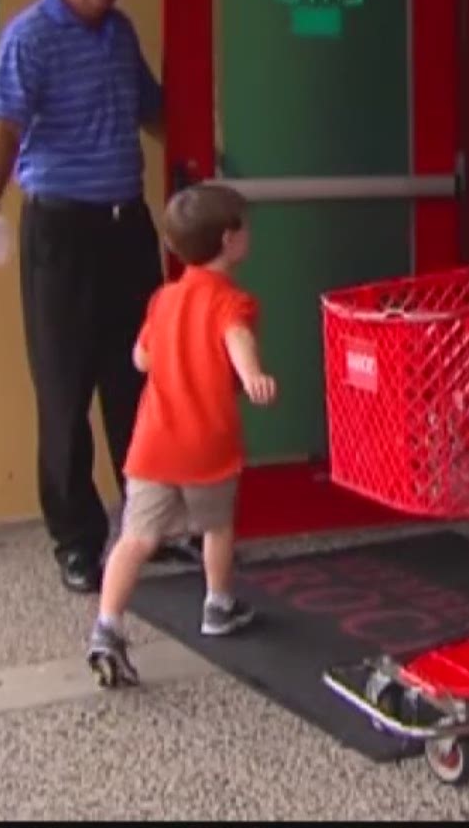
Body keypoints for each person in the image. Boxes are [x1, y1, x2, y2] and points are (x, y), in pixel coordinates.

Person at [0, 0, 191, 593]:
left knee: (136, 388)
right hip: (60, 235)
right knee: (64, 394)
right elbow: (4, 126)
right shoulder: (30, 37)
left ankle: (145, 529)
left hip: (127, 230)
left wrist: (208, 155)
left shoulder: (120, 34)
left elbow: (154, 111)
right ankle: (76, 542)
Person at [86, 183, 276, 686]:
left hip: (152, 444)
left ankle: (107, 626)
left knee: (135, 538)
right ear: (231, 241)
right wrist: (253, 373)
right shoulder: (232, 301)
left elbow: (140, 358)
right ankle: (217, 604)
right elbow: (235, 338)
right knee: (215, 526)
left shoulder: (164, 299)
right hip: (206, 444)